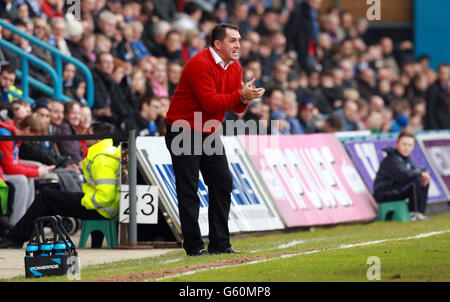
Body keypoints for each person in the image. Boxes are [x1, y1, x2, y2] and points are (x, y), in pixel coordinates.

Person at [165, 24, 265, 256]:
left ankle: (220, 243)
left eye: (239, 40)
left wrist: (245, 97)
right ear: (218, 44)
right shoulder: (199, 64)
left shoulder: (235, 67)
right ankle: (194, 247)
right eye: (232, 40)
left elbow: (237, 109)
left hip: (208, 130)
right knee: (188, 190)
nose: (238, 44)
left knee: (222, 183)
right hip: (183, 129)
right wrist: (240, 95)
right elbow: (210, 103)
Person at [0, 122, 120, 248]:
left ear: (98, 139)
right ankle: (20, 235)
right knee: (50, 199)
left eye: (88, 133)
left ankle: (15, 238)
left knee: (46, 197)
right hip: (103, 206)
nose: (84, 136)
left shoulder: (101, 159)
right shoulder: (107, 152)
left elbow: (105, 196)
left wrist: (83, 201)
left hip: (99, 208)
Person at [373, 130, 431, 221]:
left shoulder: (406, 159)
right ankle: (414, 214)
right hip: (384, 194)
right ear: (397, 144)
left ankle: (420, 213)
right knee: (416, 180)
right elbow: (406, 175)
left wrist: (425, 174)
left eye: (409, 145)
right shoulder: (391, 159)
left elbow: (418, 169)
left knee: (423, 179)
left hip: (395, 190)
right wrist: (421, 173)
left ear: (413, 147)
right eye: (404, 144)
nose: (406, 148)